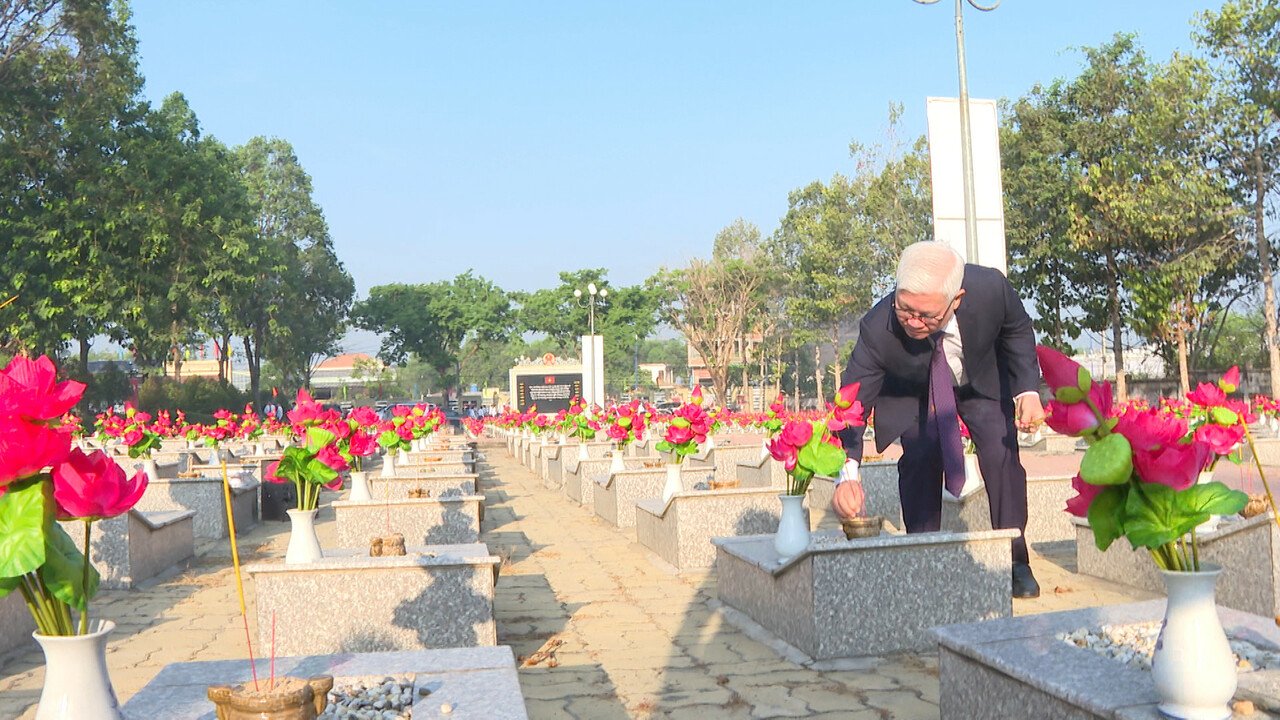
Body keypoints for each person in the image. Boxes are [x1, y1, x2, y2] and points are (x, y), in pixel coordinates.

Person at [833, 241, 1046, 598]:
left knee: (1001, 454)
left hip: (980, 382)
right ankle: (923, 559)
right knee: (920, 456)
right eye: (905, 309)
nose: (914, 322)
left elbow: (1018, 329)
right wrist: (848, 473)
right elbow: (851, 401)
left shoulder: (991, 289)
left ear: (956, 299)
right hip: (915, 391)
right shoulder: (877, 327)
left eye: (927, 315)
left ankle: (1015, 561)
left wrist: (1027, 390)